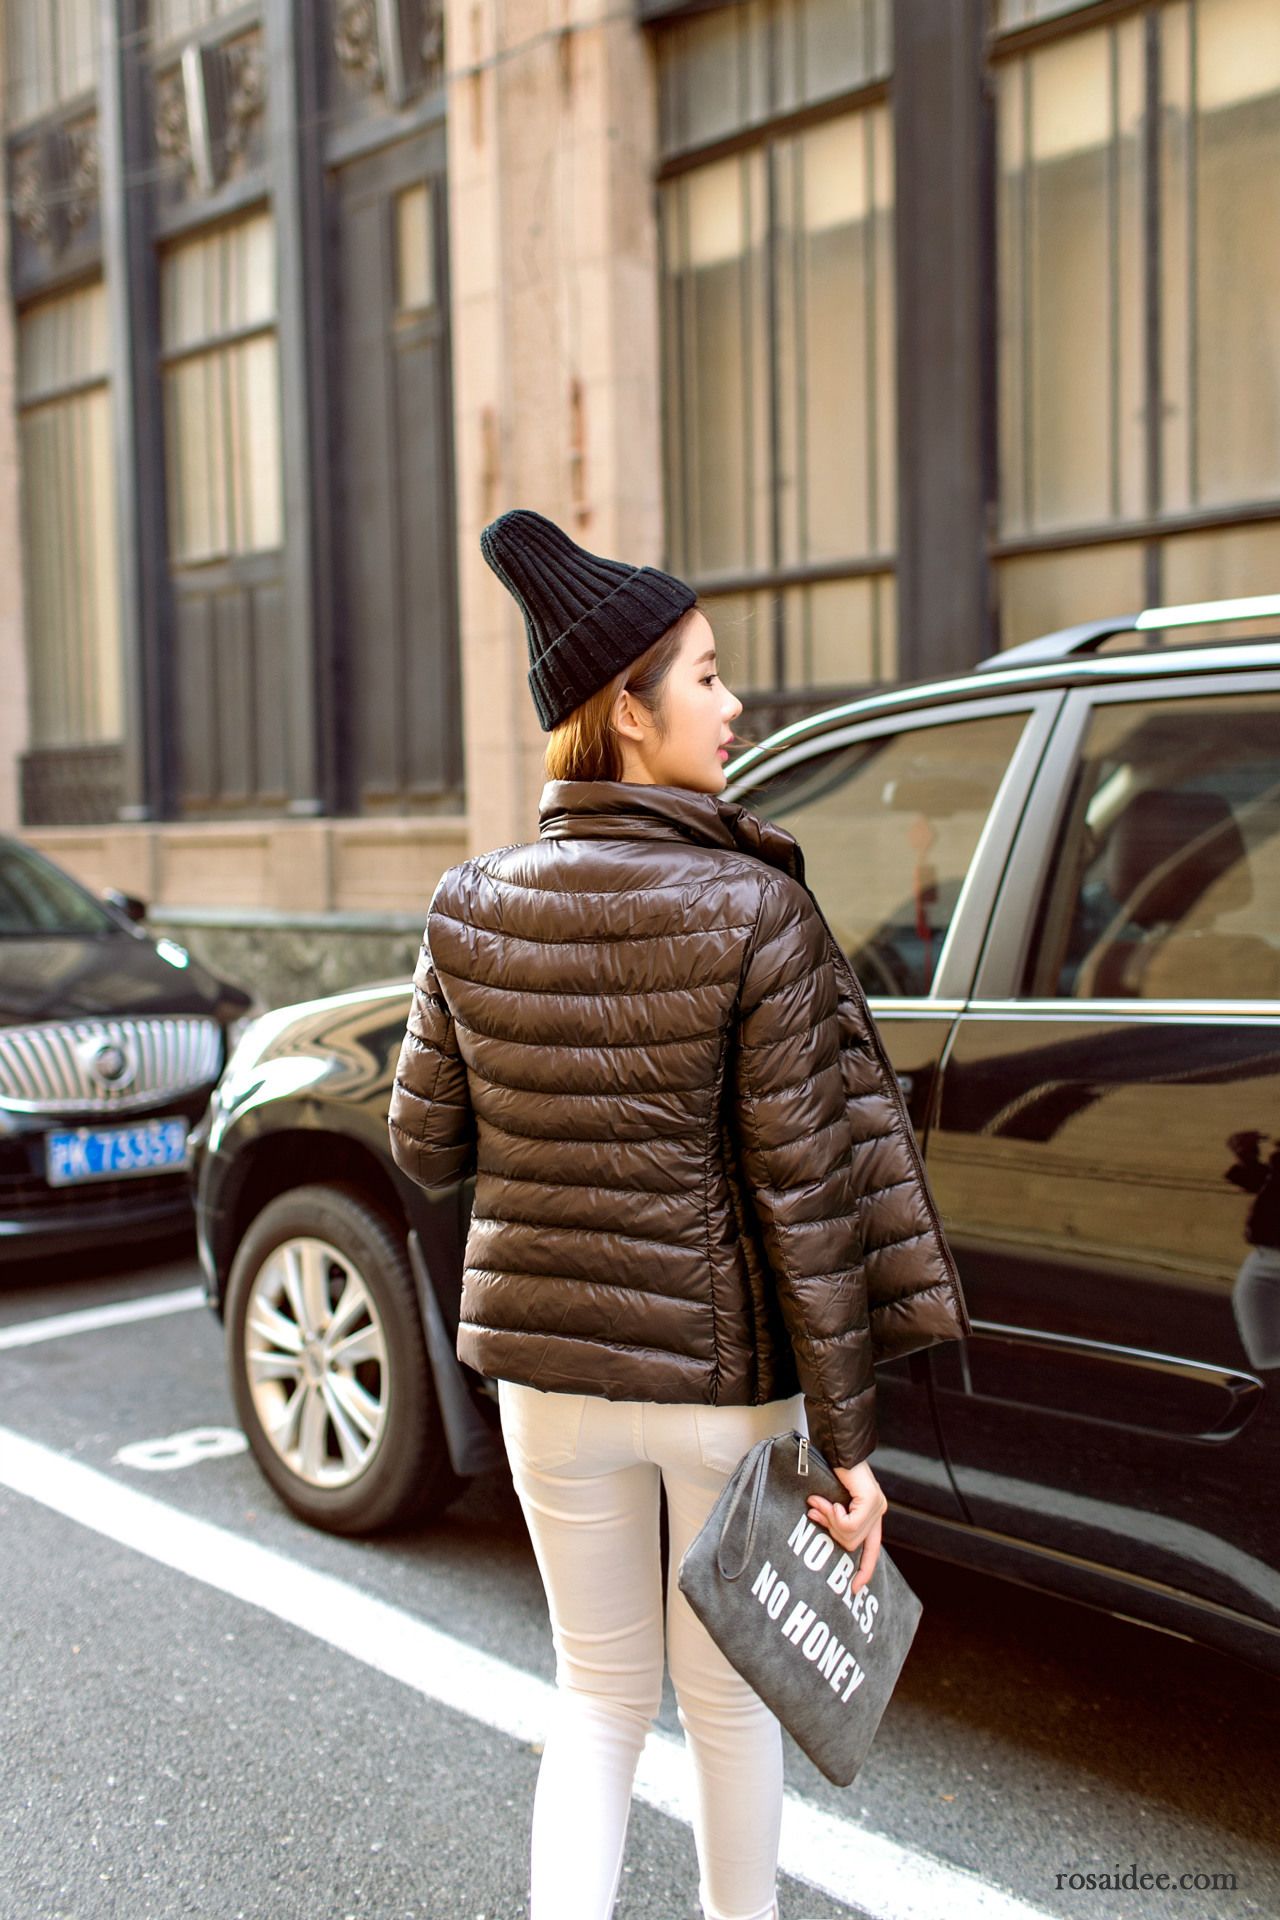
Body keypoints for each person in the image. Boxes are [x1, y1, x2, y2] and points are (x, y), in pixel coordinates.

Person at [387, 508, 970, 1920]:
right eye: (705, 675)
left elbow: (422, 1143)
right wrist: (848, 1444)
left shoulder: (470, 904)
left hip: (544, 1380)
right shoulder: (753, 908)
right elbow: (804, 1196)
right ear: (627, 712)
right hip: (723, 1386)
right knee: (729, 1711)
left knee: (594, 1698)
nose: (734, 702)